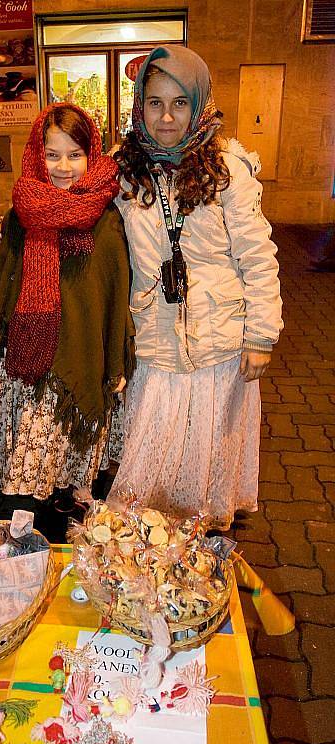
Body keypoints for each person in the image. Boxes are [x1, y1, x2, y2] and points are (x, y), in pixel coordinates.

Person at [109, 45, 283, 530]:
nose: (166, 116)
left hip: (221, 341)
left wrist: (261, 336)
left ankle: (197, 539)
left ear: (200, 103)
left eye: (179, 103)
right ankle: (146, 544)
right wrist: (19, 226)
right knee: (153, 446)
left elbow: (258, 256)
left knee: (207, 448)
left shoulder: (227, 169)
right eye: (155, 102)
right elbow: (74, 205)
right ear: (139, 106)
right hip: (154, 340)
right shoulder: (124, 171)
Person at [0, 103, 135, 528]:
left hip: (83, 357)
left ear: (92, 154)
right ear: (36, 154)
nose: (64, 166)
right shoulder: (20, 215)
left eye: (75, 154)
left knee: (72, 458)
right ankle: (30, 537)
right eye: (52, 154)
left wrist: (116, 360)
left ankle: (69, 512)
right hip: (31, 366)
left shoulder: (106, 218)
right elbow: (3, 290)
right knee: (30, 468)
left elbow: (114, 295)